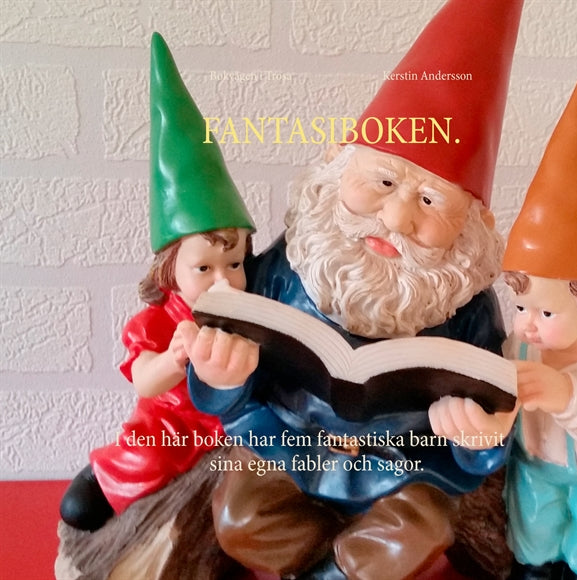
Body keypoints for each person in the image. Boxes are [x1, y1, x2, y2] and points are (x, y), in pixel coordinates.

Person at [183, 1, 523, 578]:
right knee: (241, 518)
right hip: (286, 444)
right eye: (383, 181)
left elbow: (490, 413)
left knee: (417, 531)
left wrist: (482, 436)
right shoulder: (289, 263)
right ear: (339, 163)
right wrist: (221, 377)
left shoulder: (468, 308)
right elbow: (233, 385)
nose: (396, 218)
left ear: (473, 224)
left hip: (405, 468)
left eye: (430, 200)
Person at [431, 68, 577, 580]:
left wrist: (566, 394)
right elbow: (503, 409)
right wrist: (485, 426)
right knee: (533, 539)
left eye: (546, 313)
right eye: (522, 307)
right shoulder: (520, 350)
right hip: (535, 472)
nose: (526, 325)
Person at [59, 32, 255, 532]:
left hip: (234, 425)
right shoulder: (157, 321)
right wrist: (174, 358)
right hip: (171, 424)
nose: (224, 280)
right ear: (170, 270)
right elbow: (145, 379)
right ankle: (107, 478)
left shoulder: (250, 312)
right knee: (138, 463)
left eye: (234, 263)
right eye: (204, 268)